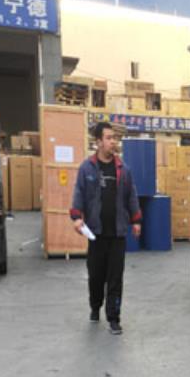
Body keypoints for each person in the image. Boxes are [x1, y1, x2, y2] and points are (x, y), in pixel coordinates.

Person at [70, 122, 141, 335]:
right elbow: (79, 193)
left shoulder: (123, 170)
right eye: (109, 138)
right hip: (96, 234)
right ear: (99, 142)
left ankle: (114, 318)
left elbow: (131, 196)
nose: (113, 142)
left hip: (117, 233)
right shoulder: (87, 168)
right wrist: (76, 217)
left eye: (114, 138)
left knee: (115, 278)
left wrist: (136, 220)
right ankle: (95, 305)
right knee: (96, 276)